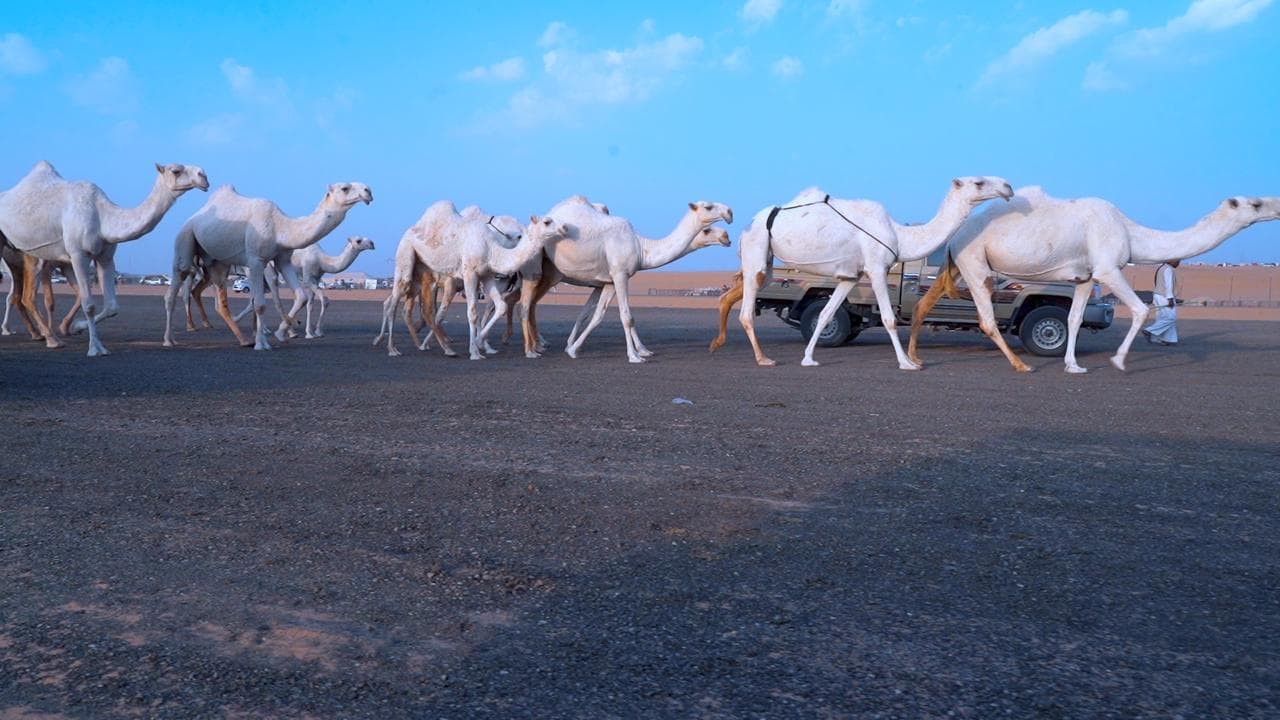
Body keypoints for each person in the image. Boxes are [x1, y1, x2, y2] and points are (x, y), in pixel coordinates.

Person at [1143, 259, 1180, 345]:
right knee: (1171, 317)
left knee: (1161, 318)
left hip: (1157, 295)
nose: (1178, 263)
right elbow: (1168, 285)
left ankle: (1161, 339)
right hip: (1165, 296)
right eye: (1177, 261)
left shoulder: (1161, 268)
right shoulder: (1168, 269)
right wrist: (1170, 298)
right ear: (1171, 261)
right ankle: (1149, 331)